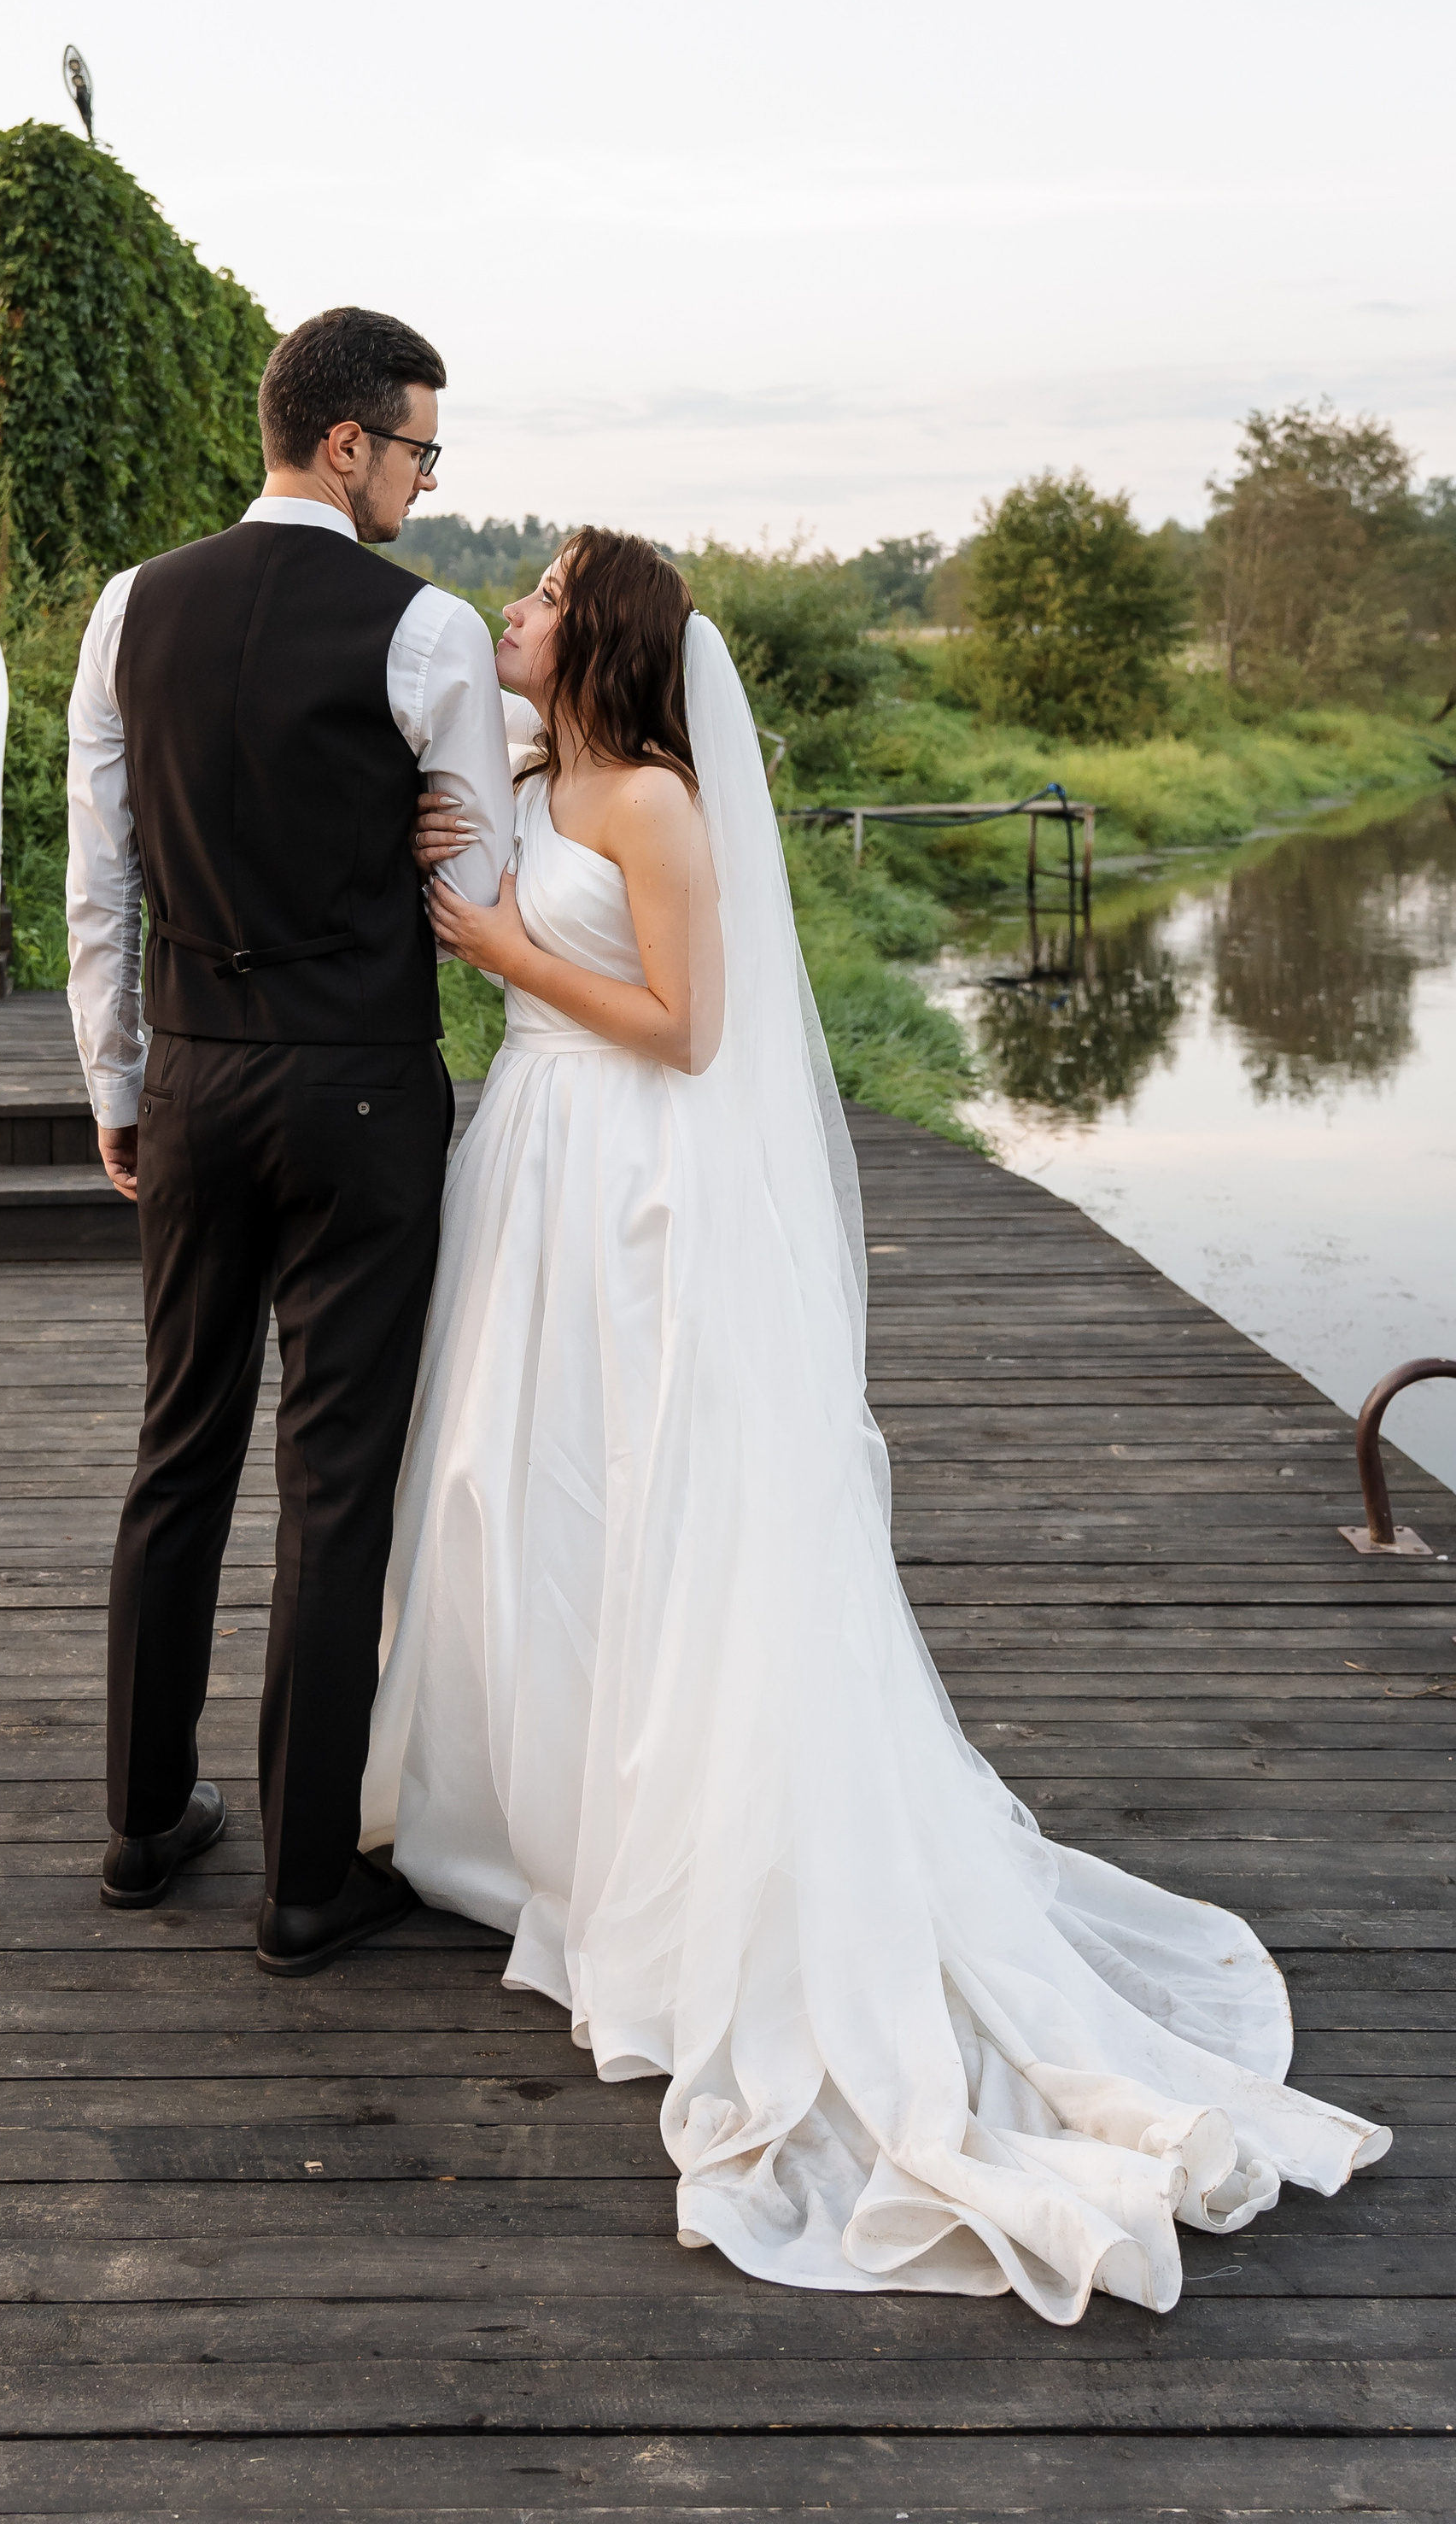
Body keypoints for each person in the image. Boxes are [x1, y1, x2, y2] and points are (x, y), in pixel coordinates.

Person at [365, 524, 1389, 2322]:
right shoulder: (529, 769)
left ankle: (672, 1850)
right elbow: (468, 822)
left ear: (598, 635)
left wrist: (502, 946)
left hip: (633, 1178)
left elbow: (686, 1030)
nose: (510, 609)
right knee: (514, 1481)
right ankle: (524, 1811)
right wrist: (460, 858)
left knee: (642, 1495)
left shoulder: (657, 803)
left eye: (541, 596)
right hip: (528, 1165)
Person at [65, 306, 515, 1976]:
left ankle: (141, 1823)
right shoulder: (429, 631)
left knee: (176, 1444)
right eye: (418, 451)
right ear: (346, 444)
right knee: (334, 1483)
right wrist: (420, 843)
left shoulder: (130, 607)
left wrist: (117, 1086)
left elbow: (100, 875)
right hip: (361, 1095)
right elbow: (479, 888)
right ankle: (304, 1882)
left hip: (191, 1078)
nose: (422, 481)